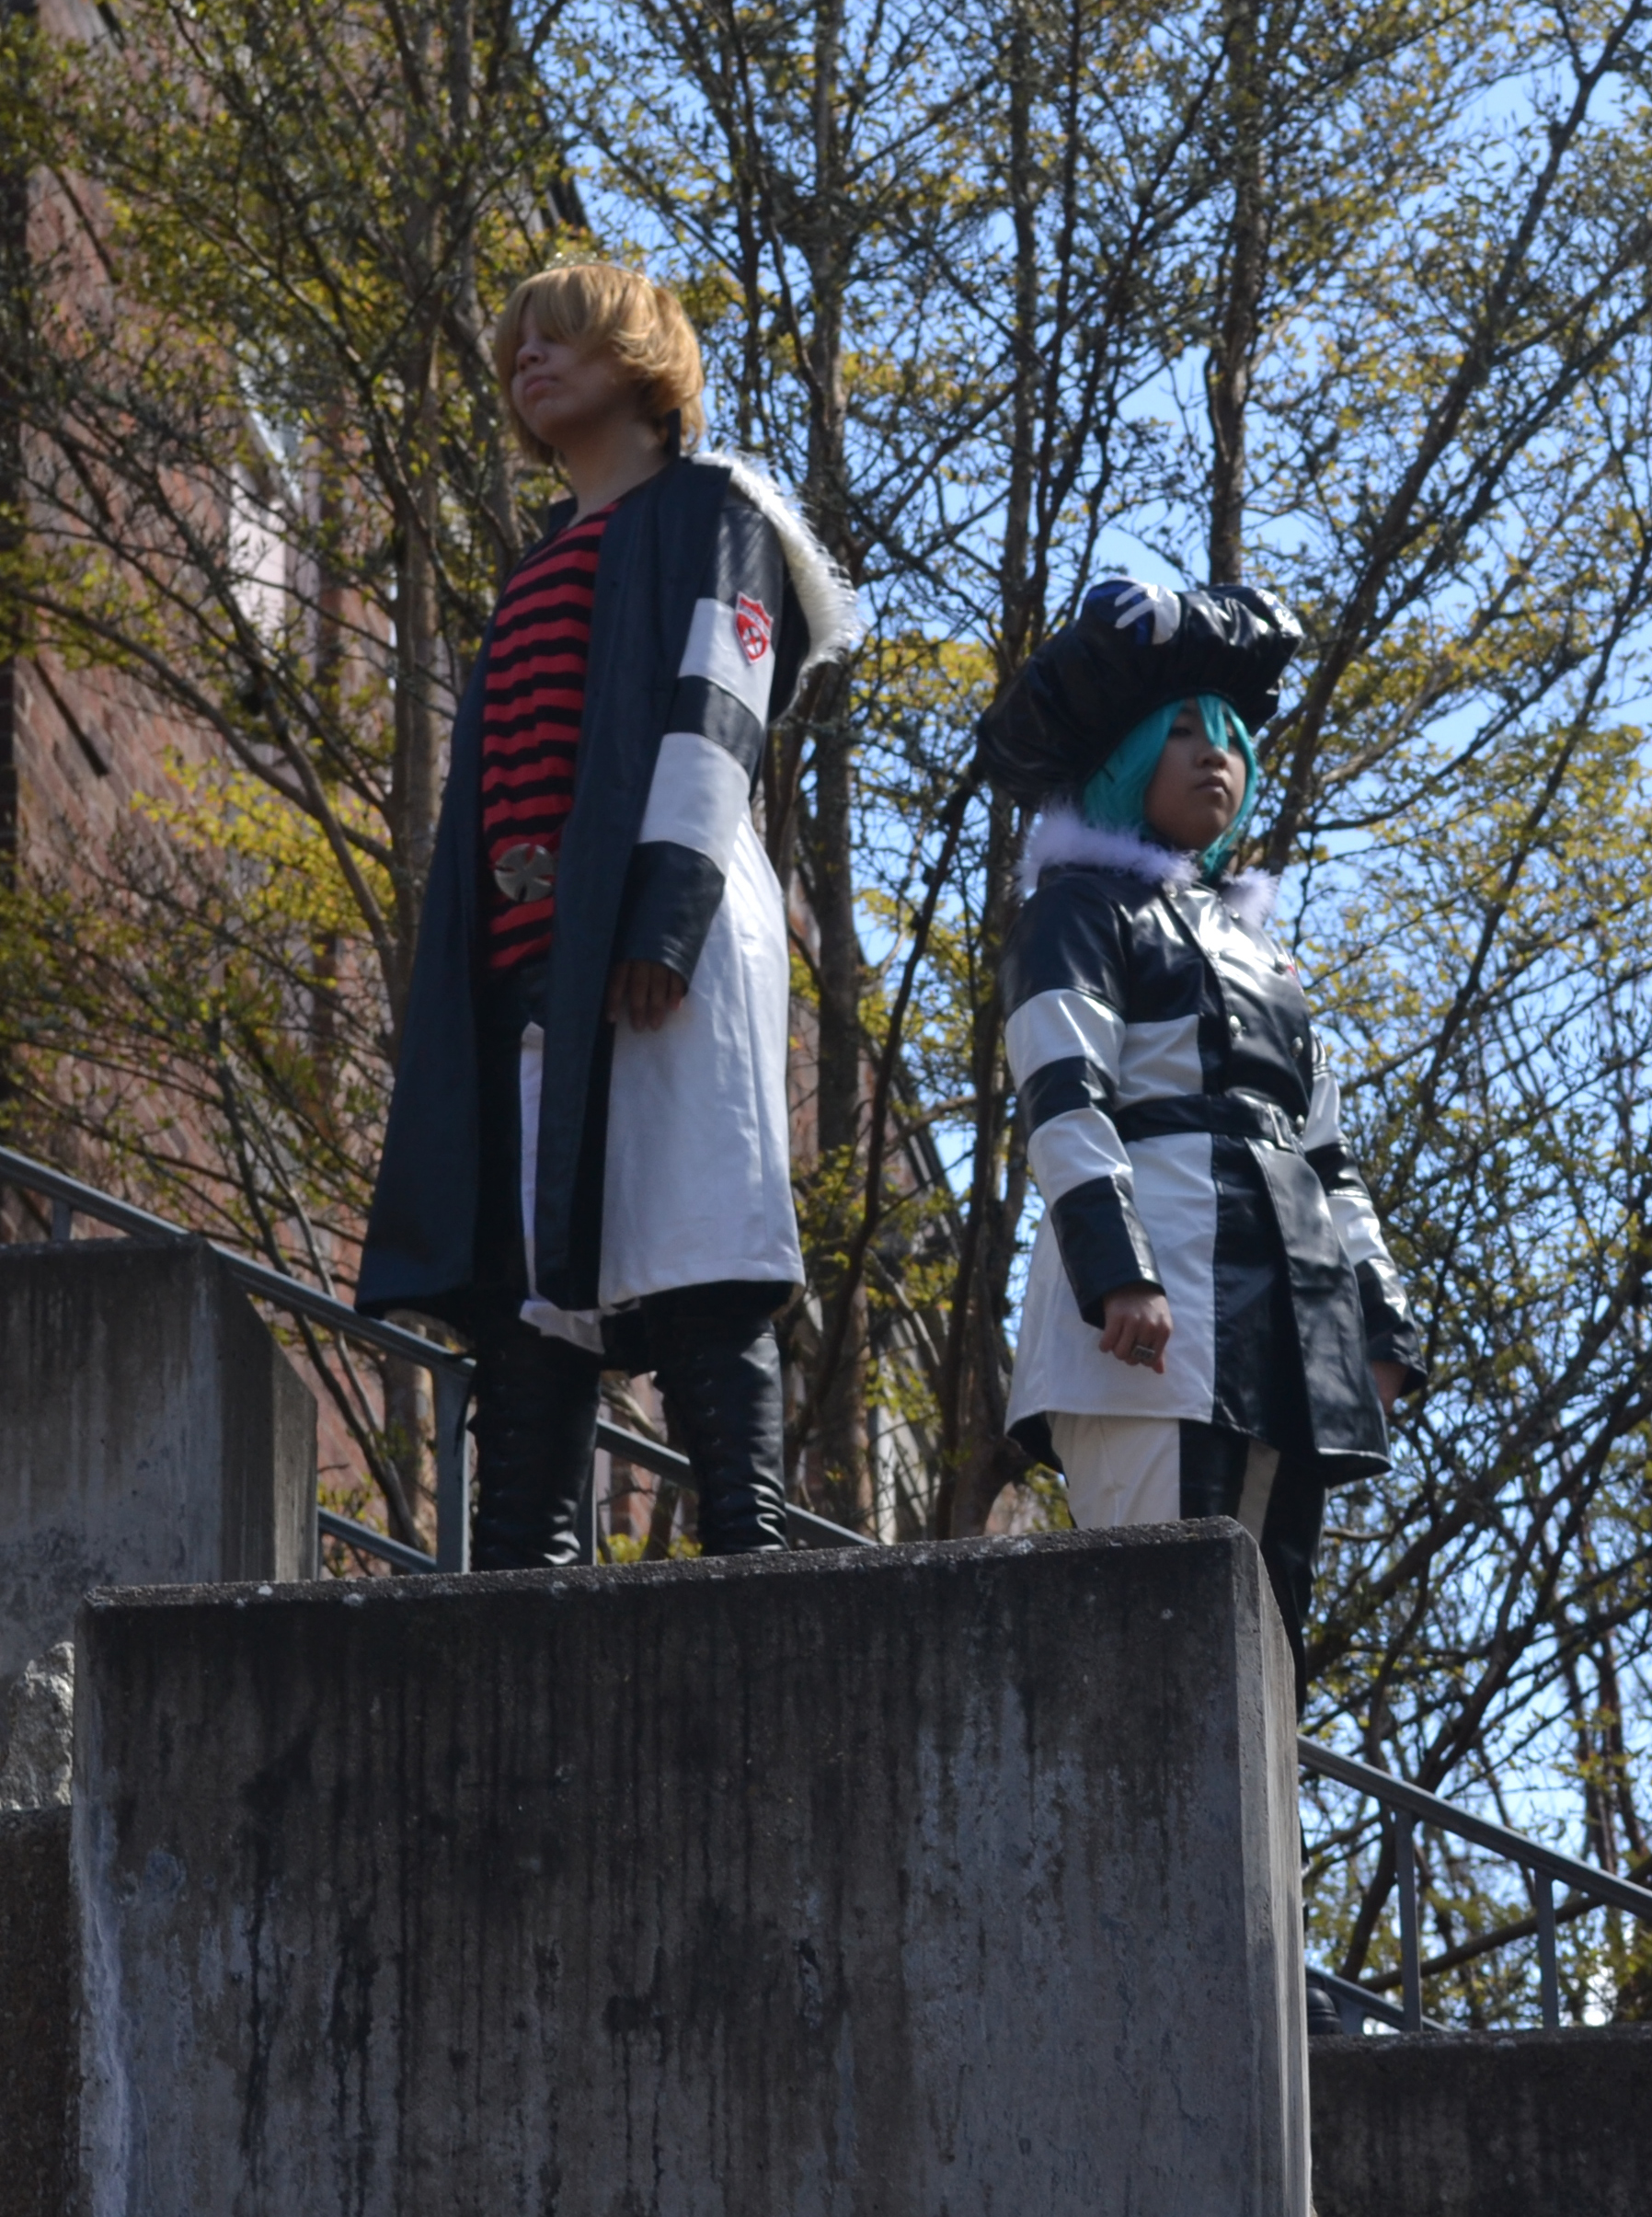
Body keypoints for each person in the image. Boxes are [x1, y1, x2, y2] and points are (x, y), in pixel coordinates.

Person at [356, 262, 857, 1566]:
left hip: (656, 938)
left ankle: (749, 1552)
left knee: (692, 1228)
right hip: (528, 958)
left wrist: (664, 914)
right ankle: (522, 1578)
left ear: (637, 356)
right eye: (517, 344)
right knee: (534, 1281)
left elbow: (718, 704)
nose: (529, 360)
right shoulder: (536, 560)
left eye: (561, 336)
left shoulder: (714, 511)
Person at [979, 576, 1425, 1712]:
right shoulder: (1074, 911)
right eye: (1178, 729)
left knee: (1269, 1660)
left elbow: (1325, 1156)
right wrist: (1116, 1269)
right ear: (1125, 755)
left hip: (1291, 1327)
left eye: (1225, 732)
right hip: (1151, 1315)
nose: (1211, 752)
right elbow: (1061, 1091)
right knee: (1160, 1648)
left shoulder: (1264, 958)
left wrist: (1379, 1324)